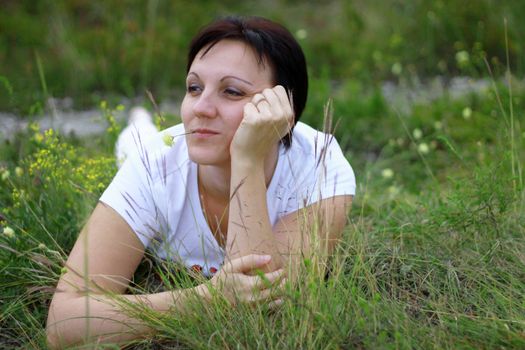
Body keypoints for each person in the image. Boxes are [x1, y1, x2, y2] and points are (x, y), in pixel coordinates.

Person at [46, 15, 356, 348]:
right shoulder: (153, 164)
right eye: (194, 87)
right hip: (155, 152)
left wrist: (247, 158)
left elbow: (263, 319)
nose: (201, 108)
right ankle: (137, 124)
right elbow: (63, 323)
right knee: (135, 145)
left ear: (281, 109)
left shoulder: (319, 164)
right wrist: (205, 300)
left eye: (232, 91)